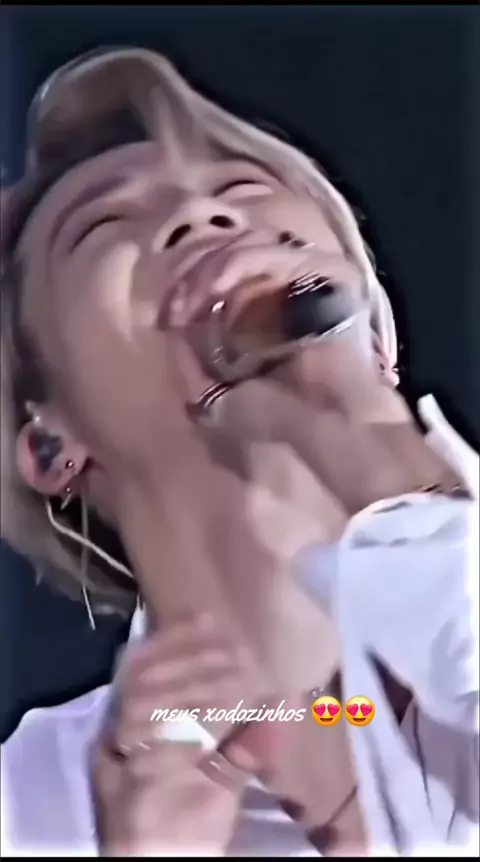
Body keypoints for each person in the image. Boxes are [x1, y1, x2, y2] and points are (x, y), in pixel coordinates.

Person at [0, 46, 478, 857]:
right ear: (50, 442)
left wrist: (367, 436)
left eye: (246, 193)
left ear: (376, 338)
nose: (200, 216)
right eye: (103, 228)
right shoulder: (28, 805)